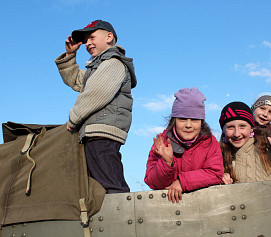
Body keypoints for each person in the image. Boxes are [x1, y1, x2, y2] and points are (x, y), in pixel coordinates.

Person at [55, 20, 137, 193]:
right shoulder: (98, 67)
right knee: (98, 184)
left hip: (103, 132)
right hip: (95, 132)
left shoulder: (113, 63)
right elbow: (78, 80)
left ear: (109, 37)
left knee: (109, 183)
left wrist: (73, 119)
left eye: (92, 37)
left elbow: (94, 95)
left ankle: (123, 214)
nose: (88, 43)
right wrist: (70, 57)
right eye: (86, 40)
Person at [144, 87, 224, 203]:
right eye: (182, 119)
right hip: (170, 209)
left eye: (195, 119)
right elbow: (153, 182)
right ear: (174, 120)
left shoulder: (210, 143)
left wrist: (182, 181)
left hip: (202, 206)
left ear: (202, 122)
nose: (188, 125)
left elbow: (215, 173)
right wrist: (167, 163)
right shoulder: (162, 143)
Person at [219, 102, 271, 184]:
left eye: (242, 126)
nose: (237, 134)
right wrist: (219, 179)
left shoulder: (266, 149)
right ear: (223, 130)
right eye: (230, 127)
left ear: (251, 128)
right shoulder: (218, 155)